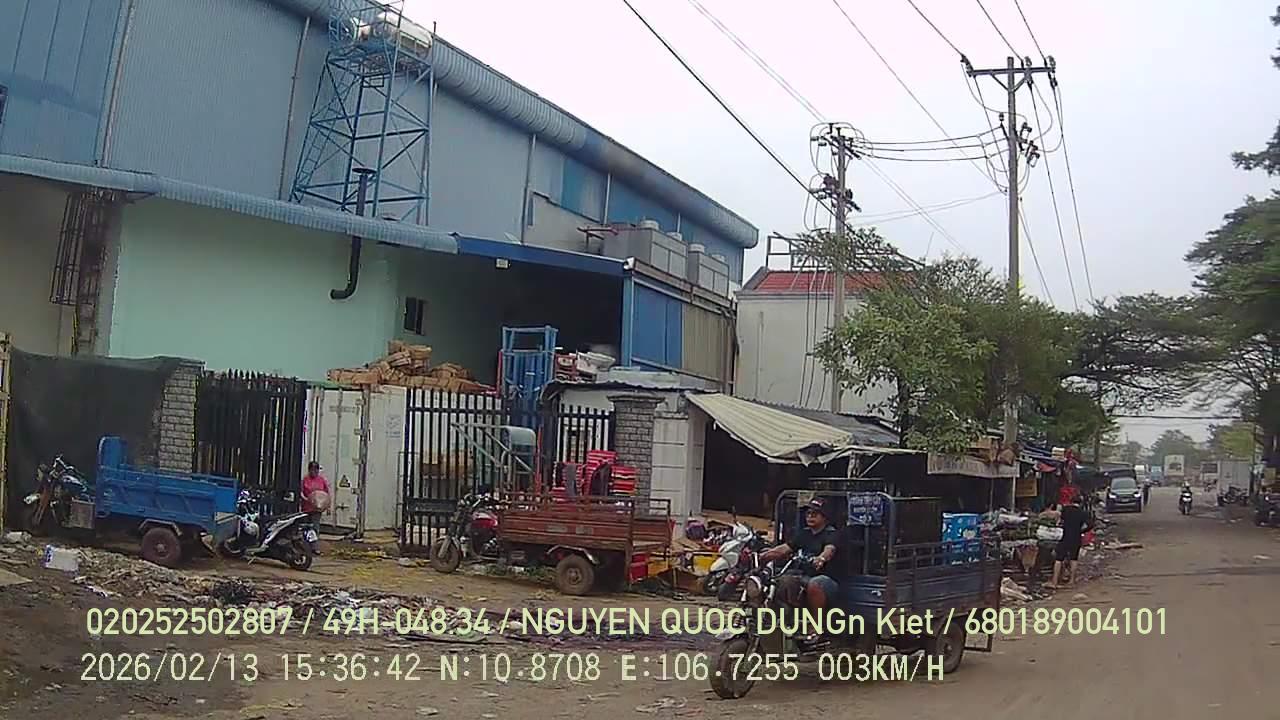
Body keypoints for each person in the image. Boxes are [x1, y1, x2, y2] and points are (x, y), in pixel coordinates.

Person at [759, 497, 842, 614]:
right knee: (782, 581)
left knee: (815, 584)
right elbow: (785, 548)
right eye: (808, 513)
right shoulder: (804, 533)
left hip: (827, 579)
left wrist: (821, 558)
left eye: (815, 514)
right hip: (804, 575)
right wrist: (764, 555)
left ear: (824, 517)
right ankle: (788, 616)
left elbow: (830, 549)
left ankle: (816, 622)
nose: (810, 517)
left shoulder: (832, 534)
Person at [1047, 499, 1090, 589]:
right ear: (1080, 503)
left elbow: (1060, 521)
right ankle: (1071, 581)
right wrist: (1081, 531)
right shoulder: (1083, 512)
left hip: (1066, 537)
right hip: (1077, 538)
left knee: (1059, 559)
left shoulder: (1066, 510)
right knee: (1074, 559)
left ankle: (1054, 582)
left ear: (1071, 502)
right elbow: (1089, 524)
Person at [301, 462, 330, 547]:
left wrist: (327, 506)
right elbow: (301, 492)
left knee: (315, 527)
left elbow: (326, 494)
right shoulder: (305, 480)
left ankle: (314, 546)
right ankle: (305, 545)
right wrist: (306, 499)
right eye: (312, 470)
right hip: (306, 507)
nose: (314, 472)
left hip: (317, 508)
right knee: (305, 527)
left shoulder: (321, 480)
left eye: (316, 470)